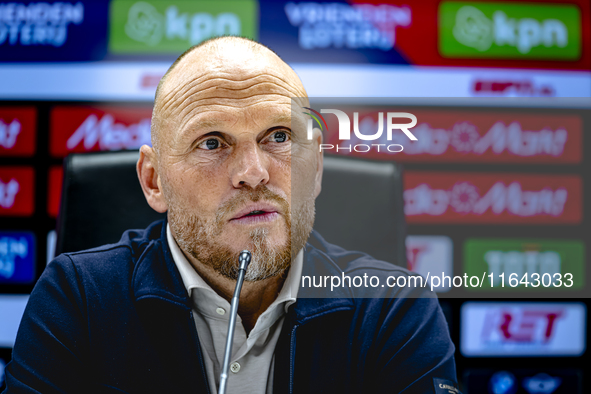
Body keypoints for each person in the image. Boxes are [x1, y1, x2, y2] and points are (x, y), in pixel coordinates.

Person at [3, 37, 458, 394]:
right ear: (154, 180)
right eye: (213, 143)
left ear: (315, 168)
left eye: (279, 136)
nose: (254, 173)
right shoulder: (77, 300)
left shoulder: (393, 307)